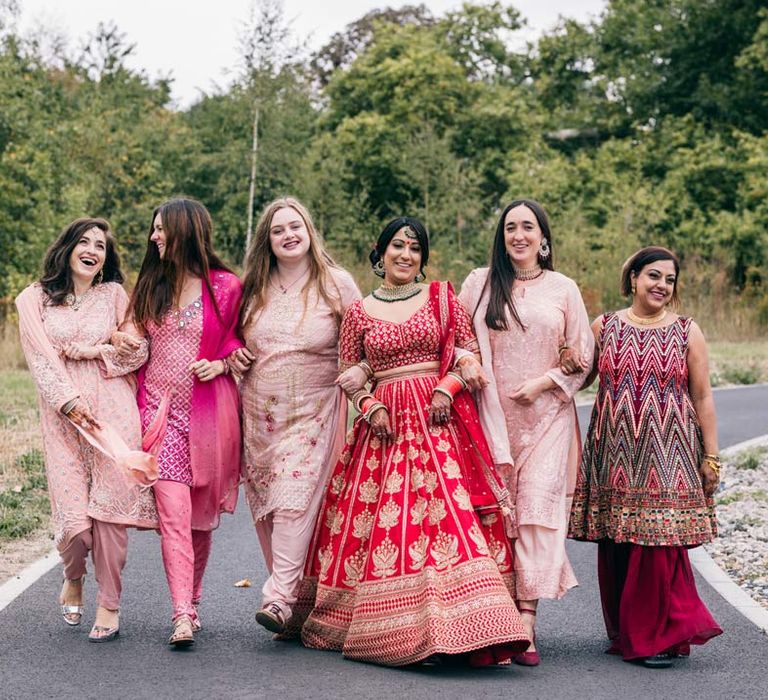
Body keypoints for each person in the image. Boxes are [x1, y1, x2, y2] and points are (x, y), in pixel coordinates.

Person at [296, 216, 530, 667]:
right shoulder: (360, 312)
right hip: (383, 435)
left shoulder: (441, 299)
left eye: (415, 248)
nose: (406, 255)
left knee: (446, 523)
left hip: (438, 426)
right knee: (389, 527)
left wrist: (447, 388)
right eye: (398, 246)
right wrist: (370, 407)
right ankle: (401, 633)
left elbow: (468, 356)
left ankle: (465, 629)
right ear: (380, 252)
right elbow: (349, 374)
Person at [568, 246, 722, 668]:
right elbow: (577, 380)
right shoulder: (606, 327)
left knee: (659, 543)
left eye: (669, 280)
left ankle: (658, 635)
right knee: (620, 542)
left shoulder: (688, 331)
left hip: (669, 452)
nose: (661, 285)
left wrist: (712, 457)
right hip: (614, 454)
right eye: (653, 276)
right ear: (633, 278)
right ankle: (627, 632)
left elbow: (703, 396)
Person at [459, 199, 593, 666]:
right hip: (490, 419)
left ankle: (526, 623)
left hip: (548, 418)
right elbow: (456, 338)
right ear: (502, 236)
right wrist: (468, 362)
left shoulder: (563, 288)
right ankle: (493, 621)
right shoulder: (479, 283)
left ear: (543, 237)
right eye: (511, 227)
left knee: (535, 514)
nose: (519, 235)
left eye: (528, 227)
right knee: (498, 519)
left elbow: (583, 355)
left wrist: (546, 381)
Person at [16, 218, 157, 642]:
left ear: (105, 259)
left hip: (113, 415)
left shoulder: (114, 295)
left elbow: (139, 351)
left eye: (101, 244)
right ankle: (73, 576)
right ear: (67, 248)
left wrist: (101, 349)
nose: (92, 248)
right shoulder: (34, 299)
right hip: (64, 421)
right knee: (77, 525)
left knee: (111, 518)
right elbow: (40, 358)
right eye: (84, 241)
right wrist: (69, 403)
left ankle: (109, 603)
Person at [235, 197, 361, 633]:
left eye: (296, 227)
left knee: (293, 501)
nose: (289, 235)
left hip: (314, 410)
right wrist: (233, 357)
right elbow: (228, 342)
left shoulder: (336, 284)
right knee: (269, 509)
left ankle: (278, 598)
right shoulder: (251, 286)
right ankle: (296, 607)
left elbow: (366, 338)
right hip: (258, 415)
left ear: (309, 232)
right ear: (267, 241)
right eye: (278, 230)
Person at [126, 197, 244, 647]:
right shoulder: (150, 286)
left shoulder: (226, 286)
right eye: (153, 229)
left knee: (197, 520)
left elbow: (240, 340)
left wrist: (223, 362)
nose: (155, 237)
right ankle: (180, 613)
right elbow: (131, 336)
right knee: (173, 515)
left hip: (206, 417)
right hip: (156, 415)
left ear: (186, 231)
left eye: (162, 229)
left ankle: (191, 602)